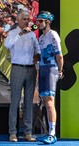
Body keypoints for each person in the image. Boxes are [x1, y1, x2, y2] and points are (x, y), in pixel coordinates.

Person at [4, 10, 41, 142]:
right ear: (18, 20)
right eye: (24, 19)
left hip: (31, 69)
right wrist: (20, 34)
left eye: (28, 19)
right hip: (17, 68)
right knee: (15, 101)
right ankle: (13, 132)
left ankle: (28, 132)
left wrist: (38, 55)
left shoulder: (31, 34)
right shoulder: (13, 33)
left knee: (28, 102)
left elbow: (37, 48)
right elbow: (7, 45)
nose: (27, 21)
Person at [35, 11, 64, 144]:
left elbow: (59, 55)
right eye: (38, 21)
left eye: (41, 21)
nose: (38, 23)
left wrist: (60, 71)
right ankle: (48, 132)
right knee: (46, 102)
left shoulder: (53, 34)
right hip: (42, 69)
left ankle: (52, 133)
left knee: (50, 102)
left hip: (51, 69)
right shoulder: (41, 38)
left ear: (48, 22)